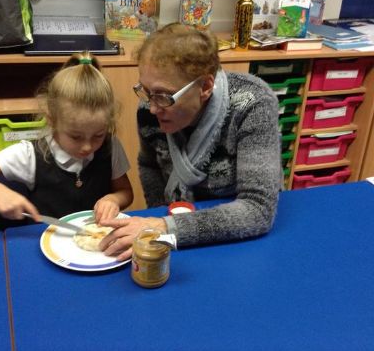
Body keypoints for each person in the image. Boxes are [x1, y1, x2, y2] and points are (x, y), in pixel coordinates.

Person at [98, 23, 282, 261]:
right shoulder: (149, 108)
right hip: (176, 227)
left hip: (238, 238)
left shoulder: (253, 103)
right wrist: (157, 219)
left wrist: (164, 227)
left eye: (163, 96)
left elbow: (257, 209)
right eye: (146, 91)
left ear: (205, 87)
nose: (152, 108)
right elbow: (149, 164)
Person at [0, 51, 133, 226]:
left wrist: (113, 199)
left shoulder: (110, 146)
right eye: (76, 136)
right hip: (44, 239)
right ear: (51, 119)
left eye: (98, 135)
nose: (87, 146)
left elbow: (125, 192)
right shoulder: (29, 155)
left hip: (95, 239)